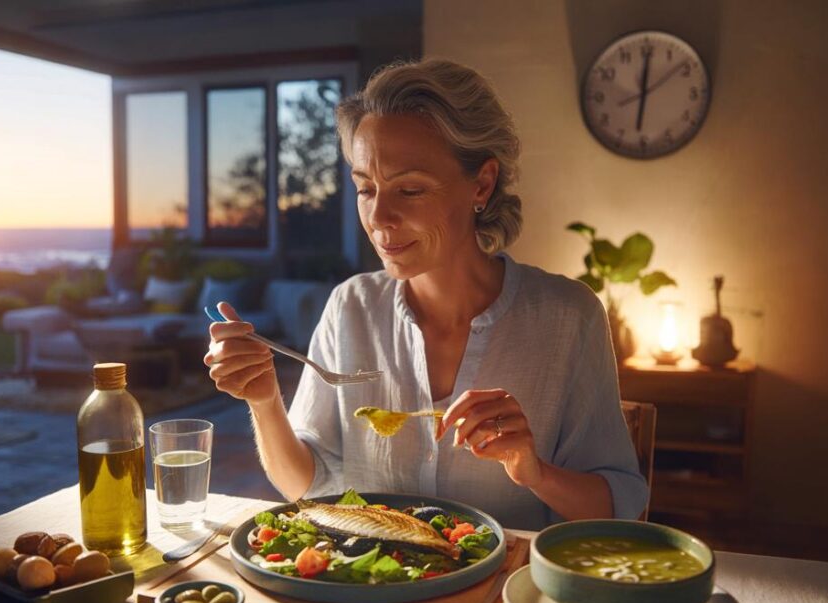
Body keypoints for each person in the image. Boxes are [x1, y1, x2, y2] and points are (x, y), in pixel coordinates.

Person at [204, 59, 647, 530]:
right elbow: (306, 484)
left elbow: (619, 504)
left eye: (409, 190)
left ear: (481, 184)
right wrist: (264, 400)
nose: (379, 217)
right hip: (369, 594)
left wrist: (534, 471)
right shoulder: (350, 307)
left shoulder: (567, 318)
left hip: (506, 595)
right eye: (365, 188)